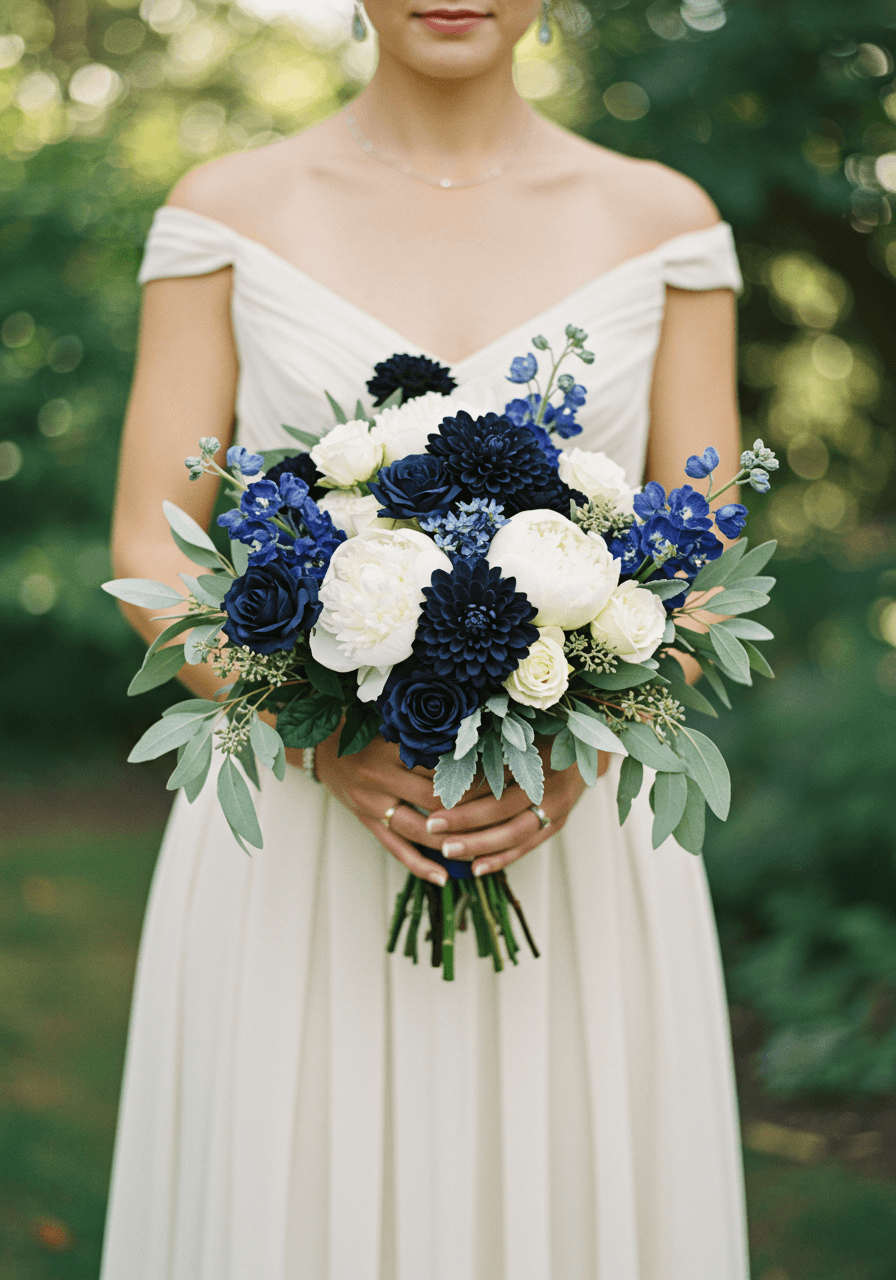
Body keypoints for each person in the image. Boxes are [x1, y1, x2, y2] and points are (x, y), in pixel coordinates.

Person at [101, 2, 750, 1276]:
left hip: (574, 833)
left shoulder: (663, 222)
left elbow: (705, 551)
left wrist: (587, 736)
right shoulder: (227, 210)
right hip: (295, 835)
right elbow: (148, 541)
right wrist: (317, 740)